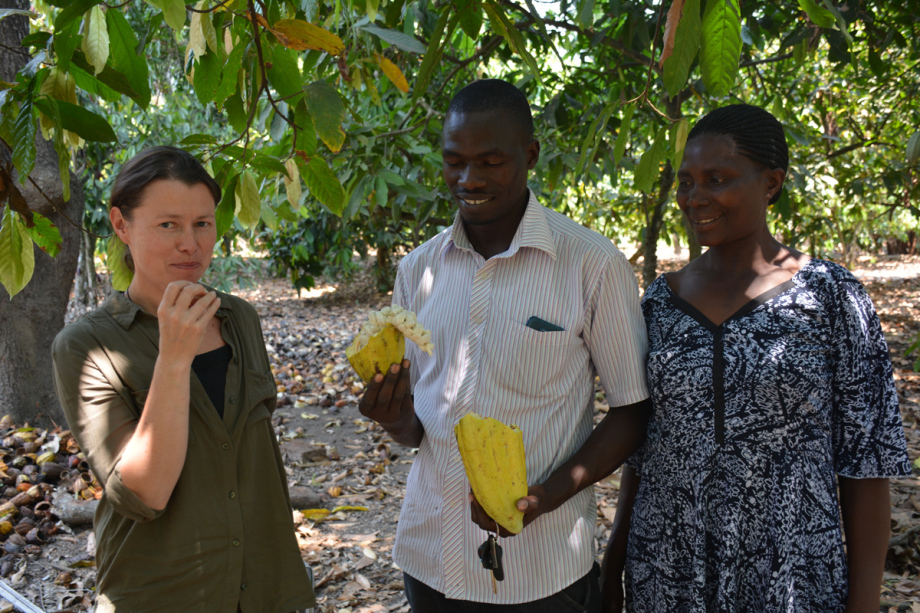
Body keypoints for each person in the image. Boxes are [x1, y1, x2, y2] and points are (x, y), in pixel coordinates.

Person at [599, 104, 912, 613]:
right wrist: (613, 568)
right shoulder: (660, 301)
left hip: (792, 565)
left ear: (771, 183)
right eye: (686, 182)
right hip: (670, 563)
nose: (695, 198)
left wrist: (864, 603)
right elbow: (644, 445)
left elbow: (867, 462)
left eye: (716, 179)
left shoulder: (832, 296)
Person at [358, 78, 651, 611]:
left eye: (491, 161)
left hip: (542, 572)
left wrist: (540, 499)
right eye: (455, 161)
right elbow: (421, 428)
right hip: (431, 555)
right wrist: (393, 416)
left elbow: (632, 412)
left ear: (530, 154)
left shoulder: (591, 264)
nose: (469, 179)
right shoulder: (418, 269)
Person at [51, 147, 315, 613]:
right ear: (121, 226)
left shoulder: (239, 319)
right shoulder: (85, 346)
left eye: (202, 223)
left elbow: (244, 455)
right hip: (162, 592)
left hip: (264, 587)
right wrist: (173, 356)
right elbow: (144, 493)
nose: (190, 244)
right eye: (168, 224)